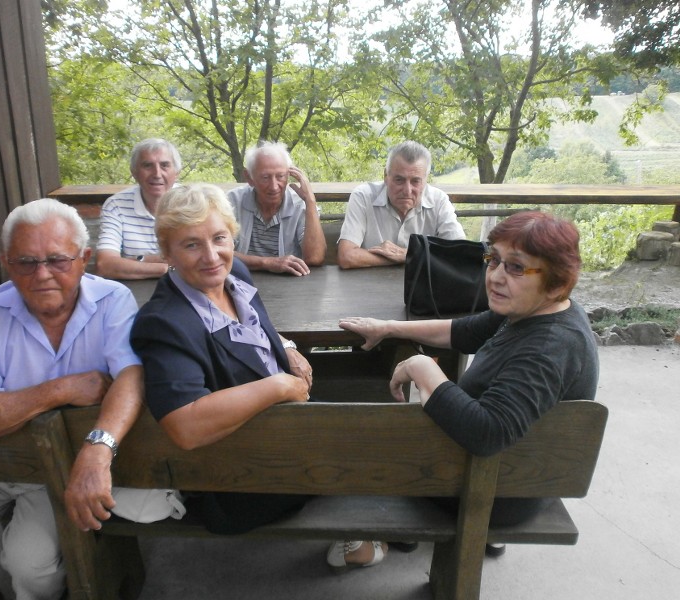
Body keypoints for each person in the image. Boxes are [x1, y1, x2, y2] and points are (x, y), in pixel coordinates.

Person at [128, 184, 386, 567]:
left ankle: (379, 522)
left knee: (379, 409)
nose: (211, 256)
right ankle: (366, 535)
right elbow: (186, 426)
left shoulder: (235, 273)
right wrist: (279, 386)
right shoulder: (164, 324)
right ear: (167, 253)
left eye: (219, 238)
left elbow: (252, 328)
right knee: (377, 442)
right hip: (243, 475)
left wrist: (288, 348)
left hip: (284, 424)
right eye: (191, 245)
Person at [0, 198, 145, 600]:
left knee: (32, 567)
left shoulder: (113, 299)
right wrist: (62, 389)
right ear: (7, 263)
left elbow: (131, 377)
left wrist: (96, 451)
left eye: (57, 260)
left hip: (63, 458)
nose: (42, 274)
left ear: (84, 259)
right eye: (26, 262)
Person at [336, 210, 599, 561]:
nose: (495, 276)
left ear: (556, 283)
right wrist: (388, 327)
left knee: (359, 436)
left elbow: (486, 432)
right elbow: (464, 331)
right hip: (506, 471)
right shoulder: (533, 309)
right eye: (494, 260)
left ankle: (377, 536)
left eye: (516, 267)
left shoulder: (548, 347)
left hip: (496, 491)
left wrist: (423, 368)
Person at [337, 140, 465, 269]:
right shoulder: (363, 196)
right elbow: (347, 256)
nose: (407, 190)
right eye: (399, 180)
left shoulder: (439, 201)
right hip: (370, 281)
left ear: (426, 179)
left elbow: (461, 254)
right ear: (386, 176)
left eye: (415, 181)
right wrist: (411, 257)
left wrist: (407, 255)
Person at [227, 141, 326, 275]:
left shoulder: (300, 206)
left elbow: (315, 258)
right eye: (265, 177)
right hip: (240, 280)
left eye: (280, 176)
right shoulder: (231, 202)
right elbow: (219, 252)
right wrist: (267, 263)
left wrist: (310, 201)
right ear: (249, 178)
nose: (274, 186)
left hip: (289, 285)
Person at [95, 138, 181, 279]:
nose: (157, 174)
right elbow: (105, 265)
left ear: (177, 172)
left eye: (164, 165)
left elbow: (202, 259)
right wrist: (169, 268)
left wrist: (140, 260)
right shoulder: (116, 205)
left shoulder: (192, 203)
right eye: (147, 165)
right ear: (134, 172)